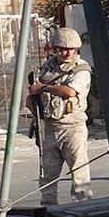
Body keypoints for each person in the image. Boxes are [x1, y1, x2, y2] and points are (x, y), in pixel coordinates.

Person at [29, 27, 92, 205]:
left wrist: (43, 88)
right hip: (49, 127)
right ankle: (48, 210)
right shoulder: (48, 67)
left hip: (73, 128)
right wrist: (34, 105)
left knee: (80, 176)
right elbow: (35, 91)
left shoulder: (81, 69)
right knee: (47, 176)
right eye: (63, 48)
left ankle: (85, 209)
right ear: (56, 48)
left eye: (71, 49)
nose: (67, 52)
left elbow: (70, 91)